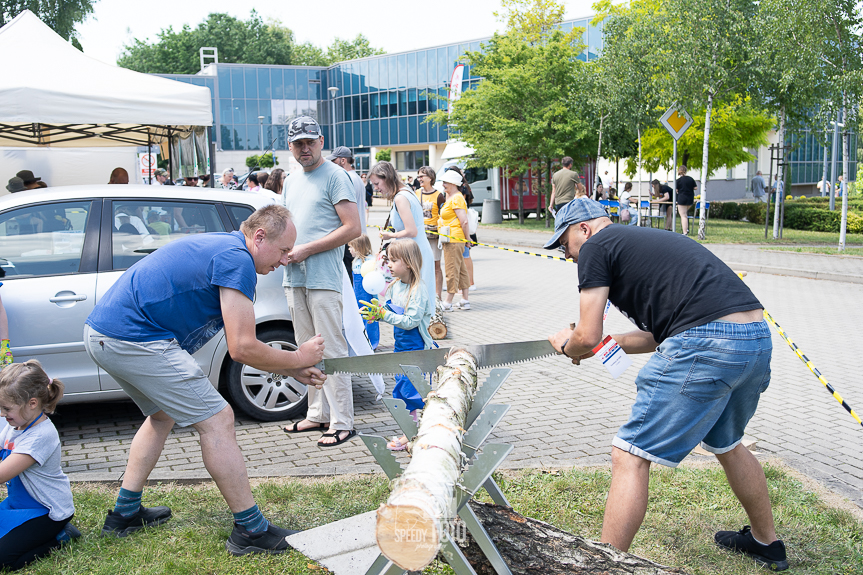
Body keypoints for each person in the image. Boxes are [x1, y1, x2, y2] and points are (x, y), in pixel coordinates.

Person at [544, 198, 787, 570]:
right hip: (754, 338)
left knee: (629, 455)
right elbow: (662, 334)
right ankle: (766, 542)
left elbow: (587, 334)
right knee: (728, 444)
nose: (567, 256)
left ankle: (604, 566)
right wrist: (610, 344)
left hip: (707, 343)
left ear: (584, 229)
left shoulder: (596, 246)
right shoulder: (643, 241)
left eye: (565, 245)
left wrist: (568, 343)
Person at [84, 204, 326, 555]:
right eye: (283, 250)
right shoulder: (237, 260)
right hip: (132, 338)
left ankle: (124, 514)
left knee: (161, 416)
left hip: (104, 334)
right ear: (259, 237)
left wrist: (290, 367)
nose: (285, 260)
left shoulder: (225, 247)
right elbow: (242, 346)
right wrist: (298, 357)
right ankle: (251, 531)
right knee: (218, 419)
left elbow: (243, 345)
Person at [279, 116, 360, 447]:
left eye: (310, 142)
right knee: (306, 349)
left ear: (321, 141)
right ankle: (318, 413)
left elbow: (352, 228)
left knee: (332, 348)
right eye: (299, 143)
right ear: (291, 146)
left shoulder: (336, 176)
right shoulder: (290, 181)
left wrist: (307, 249)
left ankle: (343, 421)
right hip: (293, 275)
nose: (305, 148)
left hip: (324, 276)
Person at [0, 361, 79, 571]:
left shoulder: (40, 436)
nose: (2, 414)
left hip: (46, 512)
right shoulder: (15, 424)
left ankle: (62, 536)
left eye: (6, 408)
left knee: (4, 560)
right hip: (19, 505)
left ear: (32, 403)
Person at [359, 240, 433, 451]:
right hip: (400, 348)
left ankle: (411, 434)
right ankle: (412, 430)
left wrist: (385, 315)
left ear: (408, 263)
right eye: (387, 260)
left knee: (411, 394)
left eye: (393, 260)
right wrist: (377, 315)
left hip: (416, 350)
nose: (388, 265)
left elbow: (410, 321)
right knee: (401, 392)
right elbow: (390, 313)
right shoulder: (394, 286)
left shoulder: (417, 290)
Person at [370, 161, 436, 312]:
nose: (376, 188)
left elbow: (412, 231)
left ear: (386, 178)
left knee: (415, 302)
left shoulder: (400, 198)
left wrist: (390, 235)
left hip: (413, 254)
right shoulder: (407, 192)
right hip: (416, 252)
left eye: (377, 183)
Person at [327, 146, 368, 283]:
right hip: (359, 232)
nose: (332, 164)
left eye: (334, 160)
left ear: (343, 160)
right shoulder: (356, 177)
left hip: (351, 235)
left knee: (350, 275)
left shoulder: (346, 178)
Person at [437, 169, 471, 311]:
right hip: (452, 239)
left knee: (451, 270)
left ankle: (448, 302)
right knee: (461, 269)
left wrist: (467, 239)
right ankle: (465, 300)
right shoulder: (452, 196)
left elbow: (464, 221)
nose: (443, 185)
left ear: (452, 183)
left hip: (454, 239)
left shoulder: (456, 198)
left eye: (445, 182)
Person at [445, 166, 478, 292]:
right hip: (459, 227)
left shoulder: (458, 192)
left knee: (465, 255)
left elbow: (461, 210)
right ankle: (465, 287)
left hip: (461, 228)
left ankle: (469, 282)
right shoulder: (462, 188)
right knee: (464, 256)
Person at [415, 166, 445, 300]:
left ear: (430, 178)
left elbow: (443, 215)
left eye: (422, 176)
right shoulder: (416, 193)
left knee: (436, 266)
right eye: (419, 176)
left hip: (434, 236)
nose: (419, 179)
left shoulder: (439, 195)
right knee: (420, 265)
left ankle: (438, 296)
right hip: (420, 235)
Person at [348, 235, 380, 350]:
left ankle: (372, 341)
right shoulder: (355, 261)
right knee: (360, 316)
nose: (349, 250)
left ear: (358, 247)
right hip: (357, 293)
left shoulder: (370, 261)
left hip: (368, 294)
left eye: (351, 247)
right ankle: (362, 340)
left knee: (370, 316)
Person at [675, 165, 697, 235]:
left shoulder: (678, 181)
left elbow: (676, 190)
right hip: (690, 198)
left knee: (683, 215)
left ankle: (685, 232)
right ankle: (686, 228)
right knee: (685, 214)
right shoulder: (690, 179)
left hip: (682, 198)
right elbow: (695, 187)